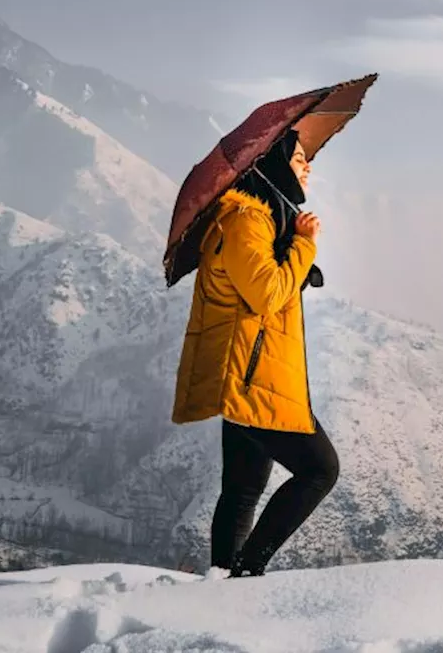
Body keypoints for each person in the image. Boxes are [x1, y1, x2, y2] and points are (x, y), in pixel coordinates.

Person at [170, 128, 338, 578]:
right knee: (320, 470)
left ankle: (224, 580)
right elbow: (267, 294)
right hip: (250, 376)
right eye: (298, 158)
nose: (308, 166)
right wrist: (303, 245)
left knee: (243, 490)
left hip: (247, 373)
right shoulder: (247, 219)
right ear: (271, 166)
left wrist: (294, 245)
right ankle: (246, 573)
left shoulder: (264, 219)